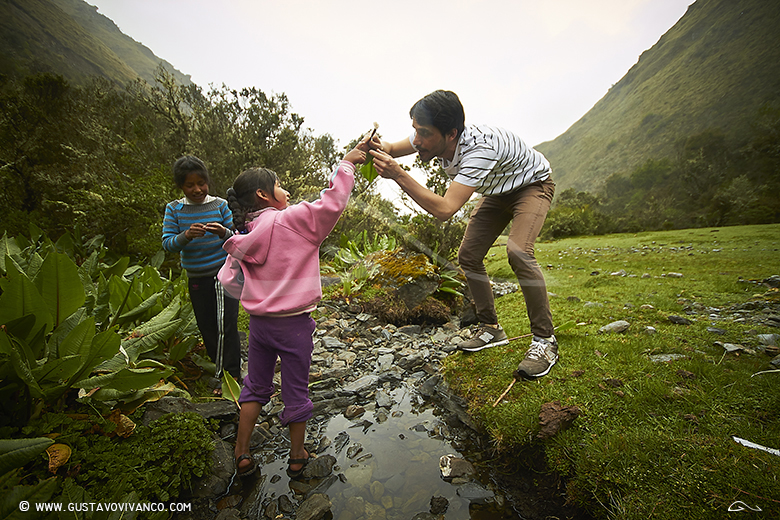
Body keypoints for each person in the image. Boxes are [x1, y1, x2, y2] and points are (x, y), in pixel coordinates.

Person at [369, 90, 558, 380]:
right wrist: (372, 146)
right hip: (498, 190)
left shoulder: (479, 150)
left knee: (518, 251)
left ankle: (545, 342)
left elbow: (445, 209)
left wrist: (398, 174)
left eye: (423, 133)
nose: (416, 140)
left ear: (451, 134)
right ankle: (491, 329)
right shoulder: (431, 133)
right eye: (414, 130)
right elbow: (391, 148)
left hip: (532, 185)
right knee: (469, 256)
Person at [220, 142, 366, 478]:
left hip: (259, 324)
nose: (285, 190)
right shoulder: (292, 220)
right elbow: (332, 204)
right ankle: (297, 454)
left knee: (255, 385)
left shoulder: (245, 233)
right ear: (264, 194)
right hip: (294, 325)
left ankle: (241, 452)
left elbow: (227, 278)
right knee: (296, 389)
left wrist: (257, 295)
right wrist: (346, 164)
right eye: (279, 185)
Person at [162, 155, 242, 382]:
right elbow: (167, 243)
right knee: (206, 325)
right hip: (197, 278)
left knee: (227, 324)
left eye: (201, 183)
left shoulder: (221, 205)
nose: (197, 189)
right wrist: (185, 236)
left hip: (224, 275)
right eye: (190, 185)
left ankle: (231, 375)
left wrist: (223, 233)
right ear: (181, 186)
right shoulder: (174, 210)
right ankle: (220, 367)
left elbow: (238, 237)